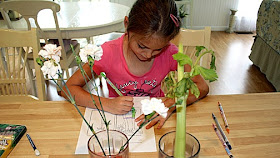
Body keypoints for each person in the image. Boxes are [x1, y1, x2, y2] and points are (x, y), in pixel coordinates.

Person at [62, 0, 209, 129]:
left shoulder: (170, 53)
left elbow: (202, 87)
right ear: (127, 26)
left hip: (157, 119)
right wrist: (105, 104)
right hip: (119, 119)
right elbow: (68, 89)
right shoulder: (106, 53)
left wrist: (171, 103)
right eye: (142, 46)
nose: (148, 55)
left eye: (158, 49)